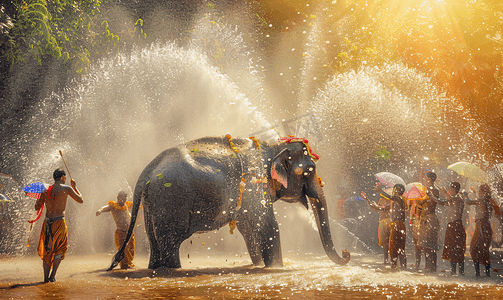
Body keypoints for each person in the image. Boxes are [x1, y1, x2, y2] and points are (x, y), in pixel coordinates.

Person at [35, 168, 83, 283]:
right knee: (60, 249)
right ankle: (53, 276)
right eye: (65, 177)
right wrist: (75, 187)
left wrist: (40, 199)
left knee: (48, 250)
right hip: (59, 222)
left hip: (47, 223)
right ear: (62, 177)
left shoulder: (45, 190)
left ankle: (45, 279)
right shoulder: (67, 188)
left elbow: (37, 207)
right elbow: (81, 200)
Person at [96, 190, 135, 269]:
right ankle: (124, 267)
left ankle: (129, 266)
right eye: (122, 198)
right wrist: (100, 210)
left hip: (130, 232)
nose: (123, 200)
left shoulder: (127, 204)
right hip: (121, 232)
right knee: (123, 251)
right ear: (118, 197)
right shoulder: (113, 205)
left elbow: (137, 205)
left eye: (125, 198)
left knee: (131, 250)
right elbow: (106, 207)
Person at [374, 183, 407, 269]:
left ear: (399, 191)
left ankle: (396, 265)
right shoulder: (397, 200)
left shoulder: (399, 198)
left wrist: (380, 191)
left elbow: (390, 197)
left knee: (394, 246)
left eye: (395, 189)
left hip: (398, 224)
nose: (394, 191)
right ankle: (399, 266)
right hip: (397, 224)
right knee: (398, 246)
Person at [464, 184, 493, 277]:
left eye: (480, 191)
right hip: (486, 227)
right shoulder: (488, 201)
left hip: (481, 227)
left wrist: (465, 195)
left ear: (484, 192)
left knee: (473, 249)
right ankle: (487, 273)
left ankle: (478, 273)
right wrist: (475, 193)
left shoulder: (482, 200)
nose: (479, 192)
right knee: (484, 250)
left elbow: (468, 202)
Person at [437, 182, 466, 275]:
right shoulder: (456, 198)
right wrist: (444, 191)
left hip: (455, 226)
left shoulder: (457, 199)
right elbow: (448, 198)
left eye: (450, 188)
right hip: (453, 226)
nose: (449, 190)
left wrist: (431, 197)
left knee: (455, 248)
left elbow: (442, 202)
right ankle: (455, 271)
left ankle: (459, 271)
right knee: (452, 248)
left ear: (454, 189)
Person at [416, 171, 440, 273]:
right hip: (424, 219)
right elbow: (420, 203)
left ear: (430, 179)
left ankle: (432, 267)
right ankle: (427, 266)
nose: (425, 180)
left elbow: (434, 200)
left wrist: (426, 195)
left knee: (431, 245)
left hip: (430, 219)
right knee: (424, 245)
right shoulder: (426, 190)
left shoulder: (435, 190)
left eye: (427, 178)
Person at [361, 190, 392, 264]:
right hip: (382, 222)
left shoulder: (392, 201)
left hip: (390, 222)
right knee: (384, 243)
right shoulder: (381, 200)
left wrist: (370, 201)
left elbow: (381, 208)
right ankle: (386, 260)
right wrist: (367, 200)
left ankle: (394, 260)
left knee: (392, 242)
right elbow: (375, 209)